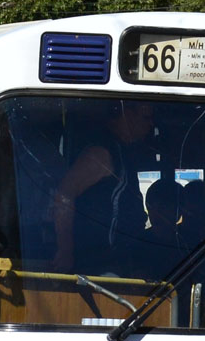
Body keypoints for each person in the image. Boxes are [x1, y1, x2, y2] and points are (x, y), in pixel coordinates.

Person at [51, 101, 154, 275]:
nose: (151, 124)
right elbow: (65, 193)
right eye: (146, 117)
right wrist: (65, 249)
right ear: (126, 113)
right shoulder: (102, 152)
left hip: (116, 261)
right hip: (95, 264)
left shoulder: (123, 152)